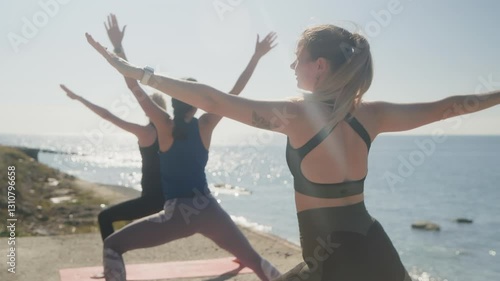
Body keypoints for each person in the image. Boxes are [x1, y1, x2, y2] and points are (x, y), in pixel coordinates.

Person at [86, 22, 500, 281]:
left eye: (298, 59)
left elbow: (213, 100)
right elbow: (450, 106)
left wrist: (139, 73)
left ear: (319, 66)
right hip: (373, 247)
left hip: (334, 264)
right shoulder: (374, 114)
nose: (293, 67)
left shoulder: (296, 115)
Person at [86, 14, 281, 281]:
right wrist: (256, 56)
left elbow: (134, 86)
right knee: (256, 262)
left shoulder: (163, 125)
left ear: (175, 102)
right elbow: (233, 94)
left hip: (176, 214)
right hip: (209, 209)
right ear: (196, 103)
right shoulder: (206, 124)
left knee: (113, 245)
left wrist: (118, 47)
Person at [60, 85, 166, 242]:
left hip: (152, 201)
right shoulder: (173, 133)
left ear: (146, 110)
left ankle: (112, 260)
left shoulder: (145, 132)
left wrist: (80, 99)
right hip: (171, 198)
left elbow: (107, 116)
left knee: (105, 217)